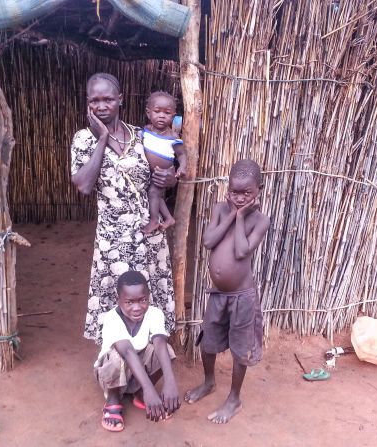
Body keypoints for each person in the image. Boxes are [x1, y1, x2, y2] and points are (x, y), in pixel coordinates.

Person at [71, 73, 177, 344]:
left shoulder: (142, 135)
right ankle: (119, 364)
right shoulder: (83, 140)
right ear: (87, 103)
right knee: (119, 302)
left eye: (108, 99)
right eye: (95, 100)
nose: (102, 105)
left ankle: (148, 360)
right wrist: (103, 138)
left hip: (147, 234)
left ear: (120, 100)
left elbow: (165, 166)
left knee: (146, 298)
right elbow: (83, 185)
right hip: (113, 240)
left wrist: (170, 176)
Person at [184, 159, 270, 424]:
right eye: (235, 191)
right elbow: (209, 241)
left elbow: (241, 250)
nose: (240, 197)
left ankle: (234, 399)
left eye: (247, 193)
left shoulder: (261, 220)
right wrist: (233, 214)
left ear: (259, 190)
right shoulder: (220, 210)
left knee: (240, 348)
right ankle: (209, 382)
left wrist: (241, 216)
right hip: (218, 295)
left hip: (242, 297)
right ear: (227, 189)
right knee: (209, 341)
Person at [95, 271, 180, 431]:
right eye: (129, 302)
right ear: (118, 299)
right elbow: (126, 351)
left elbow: (160, 343)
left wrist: (170, 381)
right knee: (115, 357)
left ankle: (140, 394)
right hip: (112, 376)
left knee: (166, 351)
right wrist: (150, 388)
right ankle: (113, 400)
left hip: (137, 374)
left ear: (148, 296)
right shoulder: (112, 318)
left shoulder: (155, 313)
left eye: (142, 300)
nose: (137, 308)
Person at [140, 91, 187, 234]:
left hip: (164, 173)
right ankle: (168, 218)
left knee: (154, 193)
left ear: (173, 116)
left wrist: (182, 168)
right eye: (157, 111)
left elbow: (181, 154)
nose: (161, 115)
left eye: (167, 113)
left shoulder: (173, 137)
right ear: (149, 113)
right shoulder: (145, 131)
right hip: (151, 173)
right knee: (156, 195)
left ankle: (154, 220)